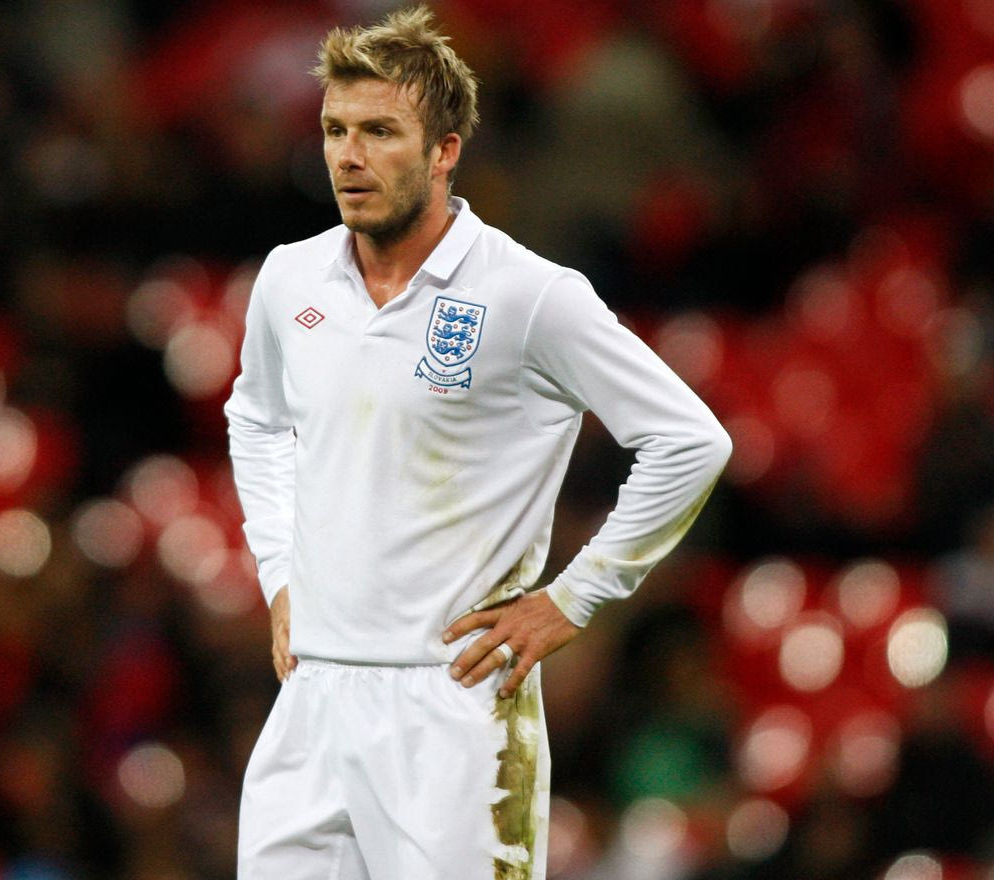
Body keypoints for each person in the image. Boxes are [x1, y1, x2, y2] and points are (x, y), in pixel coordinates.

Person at [223, 6, 731, 878]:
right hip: (311, 696)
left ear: (444, 150)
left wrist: (573, 599)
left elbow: (690, 441)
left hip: (453, 708)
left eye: (381, 131)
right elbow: (256, 419)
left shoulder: (530, 295)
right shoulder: (288, 277)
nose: (349, 156)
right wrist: (278, 572)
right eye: (336, 130)